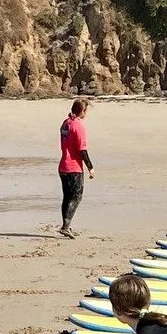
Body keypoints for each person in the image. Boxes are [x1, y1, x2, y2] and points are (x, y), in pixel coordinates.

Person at [58, 97, 93, 237]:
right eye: (86, 110)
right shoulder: (78, 125)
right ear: (82, 111)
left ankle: (66, 225)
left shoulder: (65, 123)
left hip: (63, 166)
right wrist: (90, 167)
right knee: (77, 196)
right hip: (73, 167)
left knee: (67, 197)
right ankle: (66, 226)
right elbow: (82, 150)